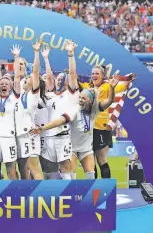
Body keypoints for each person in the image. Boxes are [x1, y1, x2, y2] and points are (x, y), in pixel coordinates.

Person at [32, 74, 120, 179]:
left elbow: (109, 101)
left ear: (90, 101)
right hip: (72, 148)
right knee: (71, 177)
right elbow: (60, 121)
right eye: (80, 97)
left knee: (91, 176)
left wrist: (112, 88)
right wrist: (43, 128)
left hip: (86, 149)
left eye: (83, 98)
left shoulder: (95, 109)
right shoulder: (75, 110)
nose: (80, 100)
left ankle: (91, 195)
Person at [80, 66, 135, 179]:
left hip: (101, 128)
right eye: (93, 73)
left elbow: (122, 86)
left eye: (97, 73)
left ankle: (106, 188)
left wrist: (127, 79)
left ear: (102, 76)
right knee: (90, 160)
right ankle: (93, 188)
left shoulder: (107, 86)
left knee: (101, 159)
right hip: (88, 129)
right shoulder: (87, 87)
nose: (94, 75)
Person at [36, 40, 80, 180]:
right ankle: (52, 196)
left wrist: (71, 54)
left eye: (62, 79)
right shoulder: (49, 96)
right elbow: (48, 78)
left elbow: (72, 74)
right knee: (49, 171)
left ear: (68, 82)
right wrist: (45, 58)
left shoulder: (71, 94)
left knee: (65, 168)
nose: (59, 81)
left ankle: (70, 194)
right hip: (48, 137)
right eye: (58, 79)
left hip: (62, 136)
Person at [0, 45, 22, 180]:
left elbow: (17, 76)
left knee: (11, 172)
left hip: (9, 138)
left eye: (6, 83)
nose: (3, 84)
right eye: (1, 83)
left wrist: (16, 57)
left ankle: (15, 197)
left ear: (11, 86)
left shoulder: (15, 97)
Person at [15, 39, 42, 180]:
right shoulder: (18, 90)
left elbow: (36, 72)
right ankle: (27, 197)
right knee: (23, 170)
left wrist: (36, 53)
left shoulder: (34, 93)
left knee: (33, 167)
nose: (26, 80)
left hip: (29, 133)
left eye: (29, 79)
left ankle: (43, 197)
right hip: (18, 134)